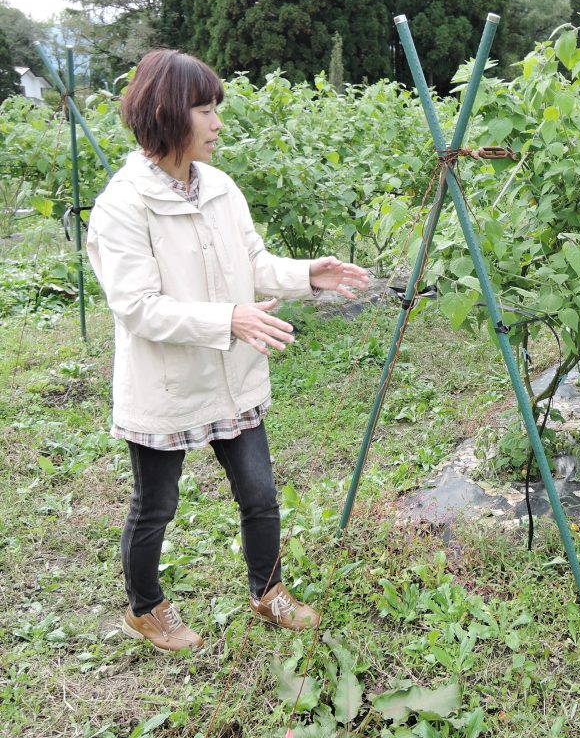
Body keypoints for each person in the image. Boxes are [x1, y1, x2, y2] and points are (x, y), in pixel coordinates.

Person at [86, 49, 370, 653]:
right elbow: (136, 306)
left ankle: (268, 592)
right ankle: (146, 608)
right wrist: (228, 319)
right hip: (168, 379)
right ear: (166, 114)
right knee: (156, 503)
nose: (217, 124)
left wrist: (306, 275)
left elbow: (254, 263)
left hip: (232, 372)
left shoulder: (219, 186)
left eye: (217, 110)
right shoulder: (123, 205)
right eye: (205, 110)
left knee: (260, 492)